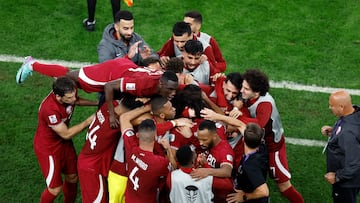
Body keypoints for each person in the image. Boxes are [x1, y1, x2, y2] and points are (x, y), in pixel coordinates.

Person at [16, 56, 178, 128]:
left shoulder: (164, 79)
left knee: (71, 78)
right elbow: (109, 86)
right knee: (69, 76)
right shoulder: (141, 85)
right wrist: (112, 114)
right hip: (111, 74)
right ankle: (32, 64)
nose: (172, 93)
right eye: (170, 90)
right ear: (162, 85)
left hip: (124, 68)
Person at [238, 69, 304, 203]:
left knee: (284, 186)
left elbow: (258, 124)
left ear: (256, 92)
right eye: (242, 87)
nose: (241, 91)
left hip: (273, 147)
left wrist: (238, 117)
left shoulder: (264, 104)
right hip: (261, 143)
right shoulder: (251, 97)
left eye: (246, 89)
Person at [33, 77, 95, 202]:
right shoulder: (49, 109)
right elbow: (66, 134)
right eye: (69, 98)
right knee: (55, 189)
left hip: (64, 144)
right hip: (48, 148)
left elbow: (76, 100)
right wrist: (89, 120)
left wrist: (97, 103)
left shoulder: (69, 90)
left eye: (74, 95)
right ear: (58, 97)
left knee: (73, 178)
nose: (73, 99)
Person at [77, 95, 143, 203]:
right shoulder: (115, 124)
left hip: (88, 158)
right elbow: (135, 120)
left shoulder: (108, 106)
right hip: (93, 168)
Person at [119, 106, 175, 203]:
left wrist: (145, 108)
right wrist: (168, 149)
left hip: (129, 199)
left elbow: (123, 118)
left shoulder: (130, 145)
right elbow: (174, 168)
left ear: (137, 135)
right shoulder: (159, 163)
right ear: (155, 137)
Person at [321, 90, 360, 203]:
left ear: (342, 107)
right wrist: (334, 132)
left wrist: (337, 176)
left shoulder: (347, 133)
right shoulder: (355, 113)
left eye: (332, 105)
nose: (330, 107)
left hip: (347, 181)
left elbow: (354, 163)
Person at [167, 145, 233, 203]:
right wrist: (206, 166)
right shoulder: (206, 176)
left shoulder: (171, 177)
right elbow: (229, 185)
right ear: (193, 160)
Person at [190, 120, 234, 203]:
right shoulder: (211, 138)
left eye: (204, 140)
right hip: (209, 193)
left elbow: (227, 171)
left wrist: (206, 171)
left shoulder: (224, 150)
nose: (201, 143)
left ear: (214, 136)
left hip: (222, 197)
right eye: (199, 139)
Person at [226, 123, 269, 203]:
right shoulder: (262, 148)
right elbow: (241, 126)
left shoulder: (250, 165)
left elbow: (264, 191)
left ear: (243, 139)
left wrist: (245, 196)